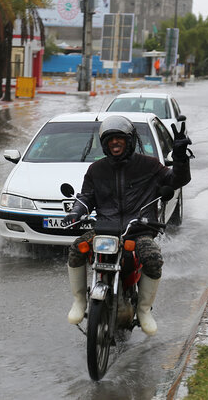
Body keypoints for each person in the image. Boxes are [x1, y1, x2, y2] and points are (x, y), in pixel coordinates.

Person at [62, 115, 192, 335]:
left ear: (129, 140)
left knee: (152, 258)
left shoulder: (150, 165)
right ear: (104, 143)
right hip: (106, 229)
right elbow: (86, 197)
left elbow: (176, 181)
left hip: (138, 229)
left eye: (120, 138)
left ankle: (143, 311)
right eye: (110, 139)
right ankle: (80, 302)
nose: (115, 142)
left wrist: (180, 159)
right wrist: (76, 212)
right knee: (77, 249)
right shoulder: (96, 169)